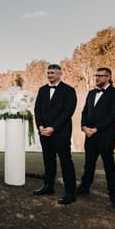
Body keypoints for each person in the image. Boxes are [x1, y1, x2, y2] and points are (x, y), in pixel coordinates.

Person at [76, 67, 115, 208]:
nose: (97, 78)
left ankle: (114, 196)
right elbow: (85, 112)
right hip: (89, 135)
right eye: (96, 75)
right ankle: (84, 187)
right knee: (89, 163)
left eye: (100, 76)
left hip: (105, 136)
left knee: (109, 165)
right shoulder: (91, 93)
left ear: (108, 77)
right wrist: (84, 127)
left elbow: (113, 115)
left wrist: (96, 129)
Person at [33, 64, 78, 204]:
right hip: (44, 132)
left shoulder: (69, 90)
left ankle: (70, 193)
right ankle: (48, 186)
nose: (49, 75)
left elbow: (67, 112)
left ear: (59, 74)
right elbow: (37, 109)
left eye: (52, 73)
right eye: (48, 73)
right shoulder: (42, 90)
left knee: (66, 161)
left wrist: (53, 128)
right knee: (48, 159)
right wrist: (40, 126)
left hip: (61, 133)